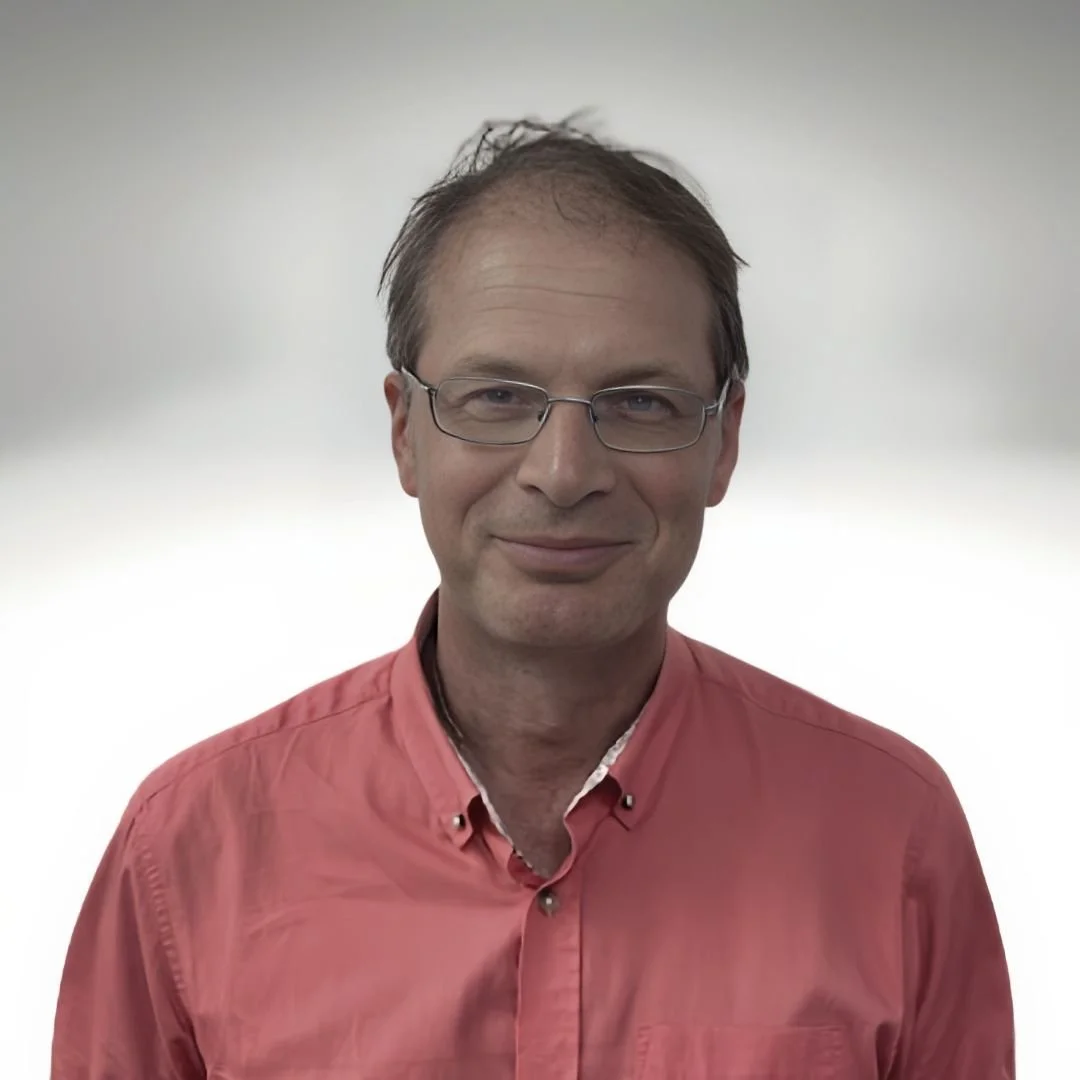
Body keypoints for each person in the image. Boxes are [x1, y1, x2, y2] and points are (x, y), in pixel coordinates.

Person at [51, 115, 1015, 1080]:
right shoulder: (189, 849)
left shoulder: (894, 837)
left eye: (640, 402)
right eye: (498, 397)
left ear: (722, 443)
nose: (563, 473)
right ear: (404, 434)